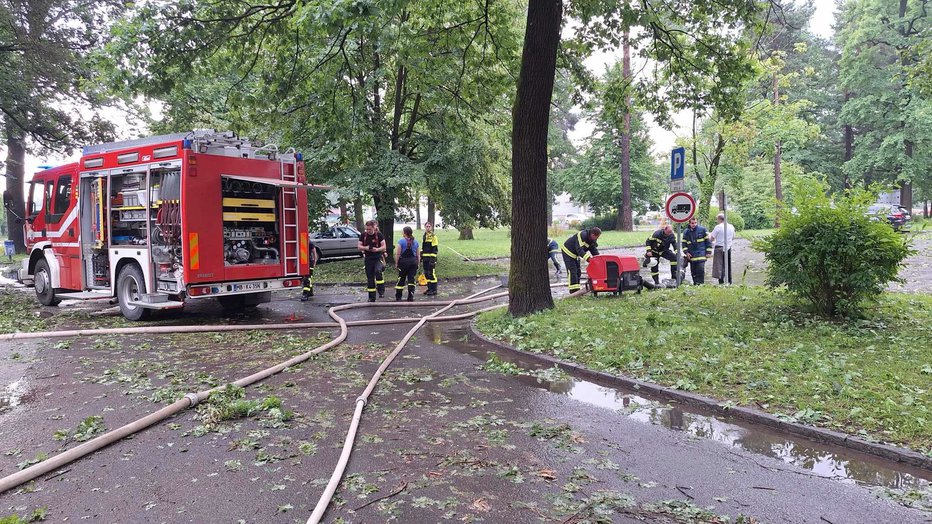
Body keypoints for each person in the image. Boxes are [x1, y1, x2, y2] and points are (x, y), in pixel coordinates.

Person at [561, 227, 601, 292]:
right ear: (593, 235)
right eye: (596, 237)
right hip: (568, 251)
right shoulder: (582, 235)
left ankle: (577, 290)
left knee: (578, 272)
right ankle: (573, 291)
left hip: (575, 254)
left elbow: (593, 249)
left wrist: (599, 259)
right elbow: (579, 250)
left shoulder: (591, 239)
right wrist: (589, 259)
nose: (596, 239)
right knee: (572, 271)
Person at [357, 220, 386, 302]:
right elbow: (359, 246)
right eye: (367, 229)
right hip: (368, 259)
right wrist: (366, 248)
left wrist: (377, 249)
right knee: (370, 278)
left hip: (377, 258)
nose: (368, 231)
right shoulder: (363, 235)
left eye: (370, 229)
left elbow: (384, 246)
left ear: (374, 228)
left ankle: (381, 290)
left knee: (378, 271)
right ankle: (371, 297)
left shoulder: (379, 235)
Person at [682, 217, 712, 285]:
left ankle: (701, 284)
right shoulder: (686, 232)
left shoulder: (703, 230)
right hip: (692, 255)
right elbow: (684, 244)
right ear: (689, 223)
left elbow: (708, 241)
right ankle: (695, 284)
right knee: (693, 272)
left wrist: (708, 252)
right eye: (692, 223)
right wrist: (686, 253)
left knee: (700, 270)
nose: (694, 224)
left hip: (701, 254)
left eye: (695, 223)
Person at [394, 226, 420, 302]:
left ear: (405, 233)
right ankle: (410, 296)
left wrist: (396, 263)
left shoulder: (401, 241)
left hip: (403, 263)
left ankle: (398, 296)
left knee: (401, 278)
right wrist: (418, 263)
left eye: (402, 231)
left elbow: (398, 254)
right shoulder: (416, 242)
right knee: (411, 279)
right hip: (413, 262)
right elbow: (418, 255)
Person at [710, 213, 736, 285]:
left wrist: (708, 236)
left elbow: (712, 238)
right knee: (728, 264)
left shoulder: (718, 227)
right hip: (728, 247)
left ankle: (721, 282)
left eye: (717, 219)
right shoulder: (731, 226)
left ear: (719, 219)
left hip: (719, 248)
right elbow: (733, 237)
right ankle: (729, 281)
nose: (716, 221)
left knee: (719, 265)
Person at [421, 221, 439, 296]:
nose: (428, 228)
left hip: (431, 258)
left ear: (431, 227)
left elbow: (435, 249)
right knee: (426, 274)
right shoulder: (424, 235)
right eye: (427, 226)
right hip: (425, 258)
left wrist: (432, 260)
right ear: (425, 227)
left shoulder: (433, 236)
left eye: (429, 226)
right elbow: (423, 247)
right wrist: (421, 256)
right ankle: (429, 288)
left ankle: (434, 290)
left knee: (431, 274)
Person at [300, 237, 318, 301]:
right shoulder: (306, 241)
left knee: (307, 278)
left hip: (309, 262)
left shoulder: (309, 243)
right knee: (308, 277)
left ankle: (305, 294)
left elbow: (314, 252)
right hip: (305, 262)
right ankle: (310, 292)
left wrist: (315, 261)